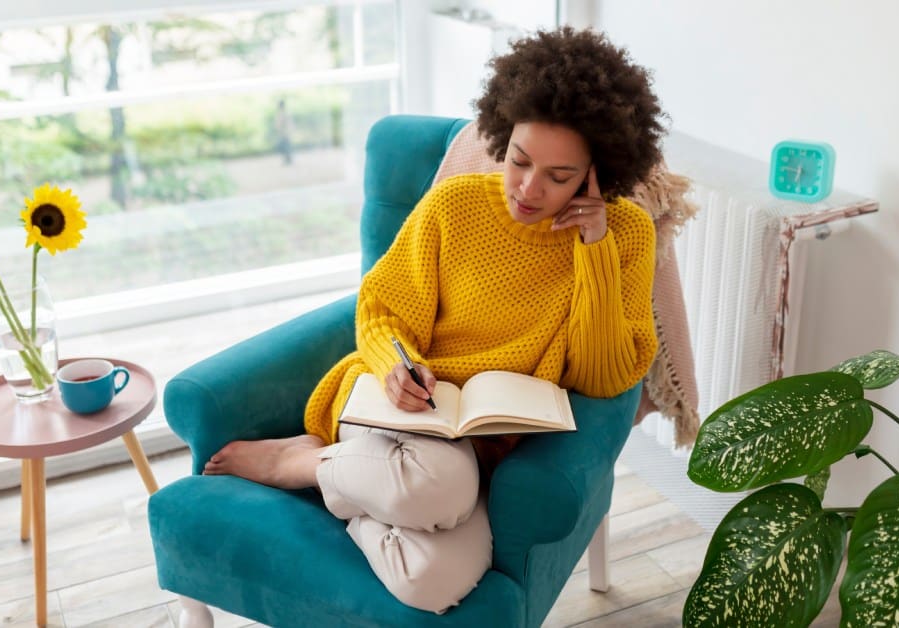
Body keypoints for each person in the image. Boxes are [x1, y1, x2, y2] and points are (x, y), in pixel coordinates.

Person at [201, 26, 663, 614]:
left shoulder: (624, 235)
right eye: (519, 161)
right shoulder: (455, 206)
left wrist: (592, 248)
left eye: (559, 176)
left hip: (481, 445)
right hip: (401, 408)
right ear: (504, 133)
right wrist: (397, 364)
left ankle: (341, 481)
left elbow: (602, 376)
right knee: (438, 485)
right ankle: (296, 462)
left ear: (599, 173)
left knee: (432, 582)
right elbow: (381, 306)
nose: (527, 187)